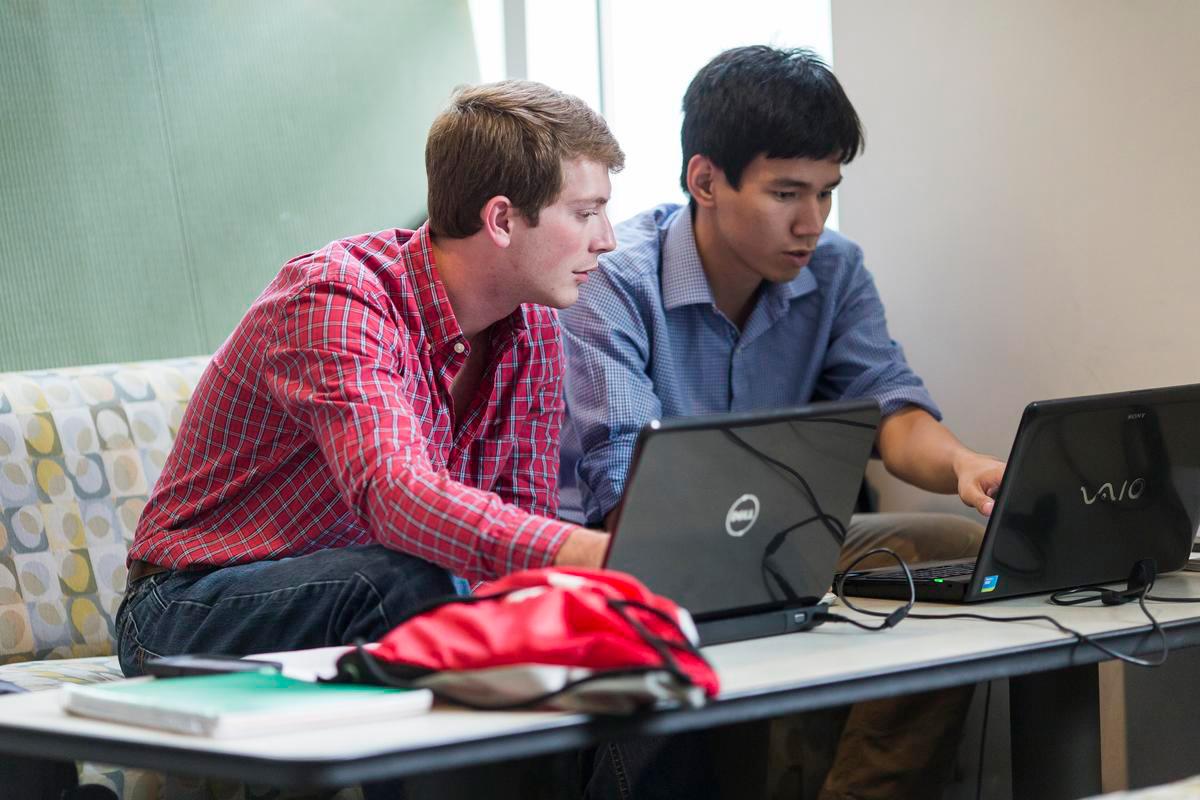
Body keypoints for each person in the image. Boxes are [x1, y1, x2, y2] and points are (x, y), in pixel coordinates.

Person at [559, 47, 1006, 799]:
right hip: (633, 560)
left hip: (779, 539)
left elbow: (891, 409)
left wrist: (963, 465)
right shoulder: (616, 282)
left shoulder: (835, 271)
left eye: (827, 193)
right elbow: (624, 497)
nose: (811, 222)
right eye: (786, 193)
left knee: (951, 547)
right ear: (705, 180)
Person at [116, 80, 622, 680]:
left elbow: (522, 528)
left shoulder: (534, 327)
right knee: (408, 580)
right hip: (184, 609)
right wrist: (588, 552)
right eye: (586, 213)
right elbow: (393, 495)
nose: (607, 239)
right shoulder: (336, 299)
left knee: (582, 613)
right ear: (502, 220)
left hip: (372, 590)